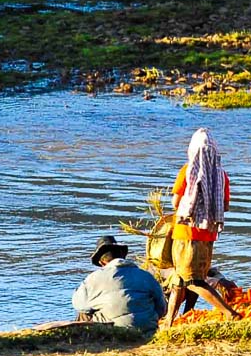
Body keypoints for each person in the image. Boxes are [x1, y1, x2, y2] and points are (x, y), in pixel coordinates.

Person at [166, 128, 233, 328]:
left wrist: (194, 205)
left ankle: (229, 313)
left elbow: (175, 202)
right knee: (181, 279)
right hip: (209, 234)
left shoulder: (188, 171)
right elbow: (225, 206)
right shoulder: (221, 176)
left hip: (187, 233)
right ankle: (170, 322)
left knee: (193, 281)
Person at [72, 235, 167, 332]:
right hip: (147, 330)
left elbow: (79, 305)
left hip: (114, 332)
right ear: (122, 256)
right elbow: (162, 308)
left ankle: (83, 342)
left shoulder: (92, 279)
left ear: (101, 262)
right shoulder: (146, 276)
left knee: (83, 313)